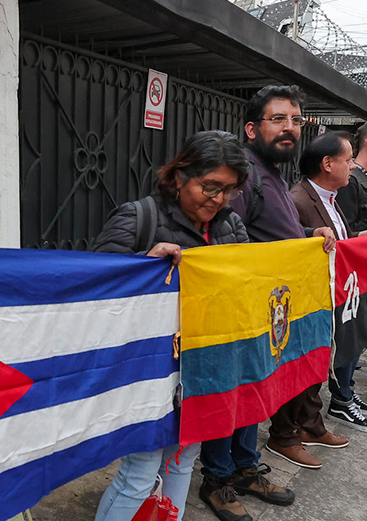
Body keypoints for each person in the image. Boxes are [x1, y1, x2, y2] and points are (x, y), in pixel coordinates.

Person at [91, 131, 252, 521]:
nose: (219, 199)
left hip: (205, 370)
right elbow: (95, 293)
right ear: (179, 177)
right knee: (139, 474)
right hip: (149, 370)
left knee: (182, 462)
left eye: (229, 190)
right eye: (210, 187)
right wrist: (145, 265)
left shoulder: (230, 227)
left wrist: (310, 245)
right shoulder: (138, 217)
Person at [224, 85, 339, 479]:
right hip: (246, 311)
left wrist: (309, 234)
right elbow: (229, 242)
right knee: (241, 395)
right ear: (252, 129)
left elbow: (271, 231)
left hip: (270, 309)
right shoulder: (243, 173)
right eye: (278, 120)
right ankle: (223, 475)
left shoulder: (271, 172)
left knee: (256, 393)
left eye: (295, 120)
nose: (289, 128)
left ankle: (246, 466)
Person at [290, 131, 367, 434]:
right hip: (310, 301)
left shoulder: (330, 199)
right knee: (307, 367)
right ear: (327, 164)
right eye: (347, 160)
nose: (353, 166)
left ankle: (311, 421)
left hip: (335, 295)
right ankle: (298, 428)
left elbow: (334, 242)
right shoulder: (299, 199)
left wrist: (356, 239)